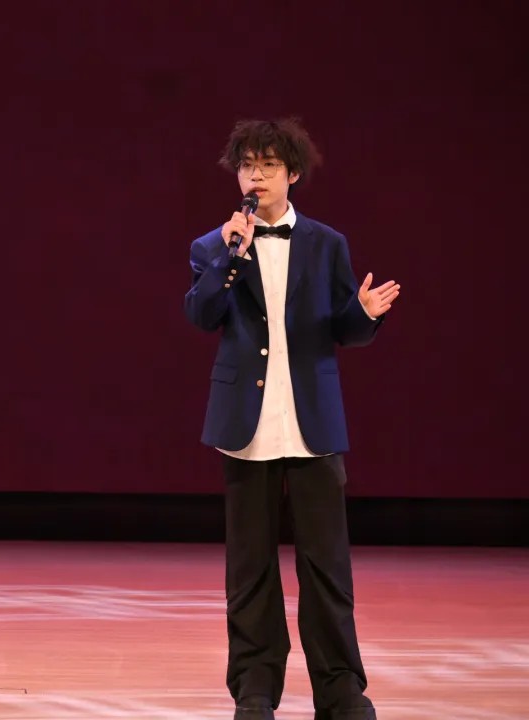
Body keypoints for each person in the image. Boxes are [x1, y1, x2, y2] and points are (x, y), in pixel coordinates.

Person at [184, 118, 399, 720]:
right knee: (250, 568)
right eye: (247, 165)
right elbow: (200, 315)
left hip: (311, 422)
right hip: (246, 424)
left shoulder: (327, 243)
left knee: (326, 565)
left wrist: (364, 313)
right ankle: (255, 689)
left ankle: (341, 689)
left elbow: (343, 330)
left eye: (269, 165)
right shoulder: (212, 245)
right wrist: (229, 255)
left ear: (293, 173)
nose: (256, 175)